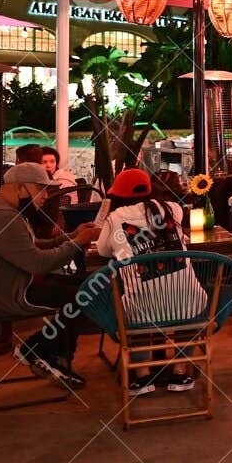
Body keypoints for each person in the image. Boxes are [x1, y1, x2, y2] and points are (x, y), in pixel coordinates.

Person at [0, 163, 101, 389]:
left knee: (87, 285)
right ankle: (41, 352)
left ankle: (49, 355)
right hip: (8, 295)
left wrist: (71, 236)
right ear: (21, 187)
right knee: (85, 294)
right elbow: (39, 262)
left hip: (5, 286)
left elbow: (29, 247)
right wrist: (78, 242)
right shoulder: (3, 219)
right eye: (41, 189)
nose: (46, 196)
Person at [95, 168, 204, 395]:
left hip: (142, 311)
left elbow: (103, 250)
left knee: (137, 303)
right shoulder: (173, 209)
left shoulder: (115, 219)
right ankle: (180, 371)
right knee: (187, 299)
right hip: (187, 305)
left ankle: (143, 376)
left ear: (119, 195)